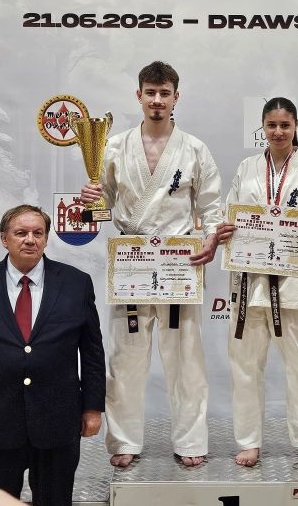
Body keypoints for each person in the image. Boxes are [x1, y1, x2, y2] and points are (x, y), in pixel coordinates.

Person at [80, 60, 222, 468]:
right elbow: (105, 201)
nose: (157, 100)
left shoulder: (194, 149)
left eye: (164, 93)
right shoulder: (114, 146)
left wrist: (212, 238)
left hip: (179, 263)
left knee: (186, 360)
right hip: (133, 261)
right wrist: (93, 201)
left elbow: (211, 206)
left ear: (176, 97)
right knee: (125, 358)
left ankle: (191, 440)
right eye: (150, 92)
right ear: (138, 95)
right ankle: (124, 441)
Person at [0, 204, 105, 506]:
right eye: (21, 233)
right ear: (4, 239)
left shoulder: (76, 283)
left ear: (45, 238)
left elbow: (92, 353)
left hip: (58, 420)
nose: (30, 239)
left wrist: (93, 408)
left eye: (37, 233)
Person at [213, 96, 298, 467]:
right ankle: (249, 440)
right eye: (272, 125)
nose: (278, 132)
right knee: (245, 365)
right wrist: (225, 230)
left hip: (292, 282)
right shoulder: (247, 167)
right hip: (249, 280)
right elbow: (230, 215)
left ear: (296, 126)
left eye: (285, 125)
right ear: (263, 128)